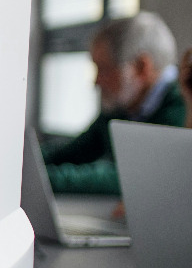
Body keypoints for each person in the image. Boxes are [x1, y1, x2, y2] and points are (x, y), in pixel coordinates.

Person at [44, 11, 185, 194]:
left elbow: (134, 178)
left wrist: (39, 178)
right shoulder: (123, 105)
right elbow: (71, 153)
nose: (96, 81)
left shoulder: (183, 107)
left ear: (141, 67)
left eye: (104, 69)